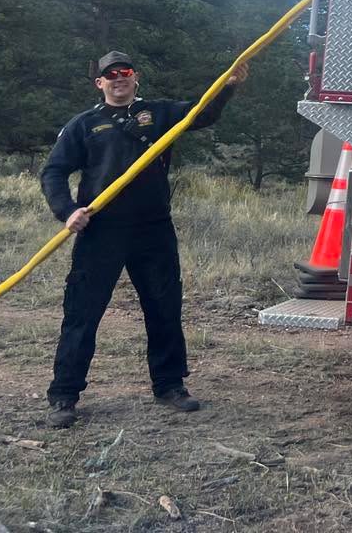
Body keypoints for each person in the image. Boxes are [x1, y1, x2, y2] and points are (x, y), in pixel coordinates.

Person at [39, 51, 247, 428]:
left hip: (154, 229)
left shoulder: (159, 113)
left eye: (125, 72)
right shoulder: (83, 125)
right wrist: (67, 210)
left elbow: (203, 113)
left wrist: (228, 86)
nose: (118, 78)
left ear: (135, 78)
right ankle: (64, 395)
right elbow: (53, 172)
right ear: (99, 83)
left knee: (164, 308)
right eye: (110, 74)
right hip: (101, 231)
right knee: (82, 313)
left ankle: (170, 386)